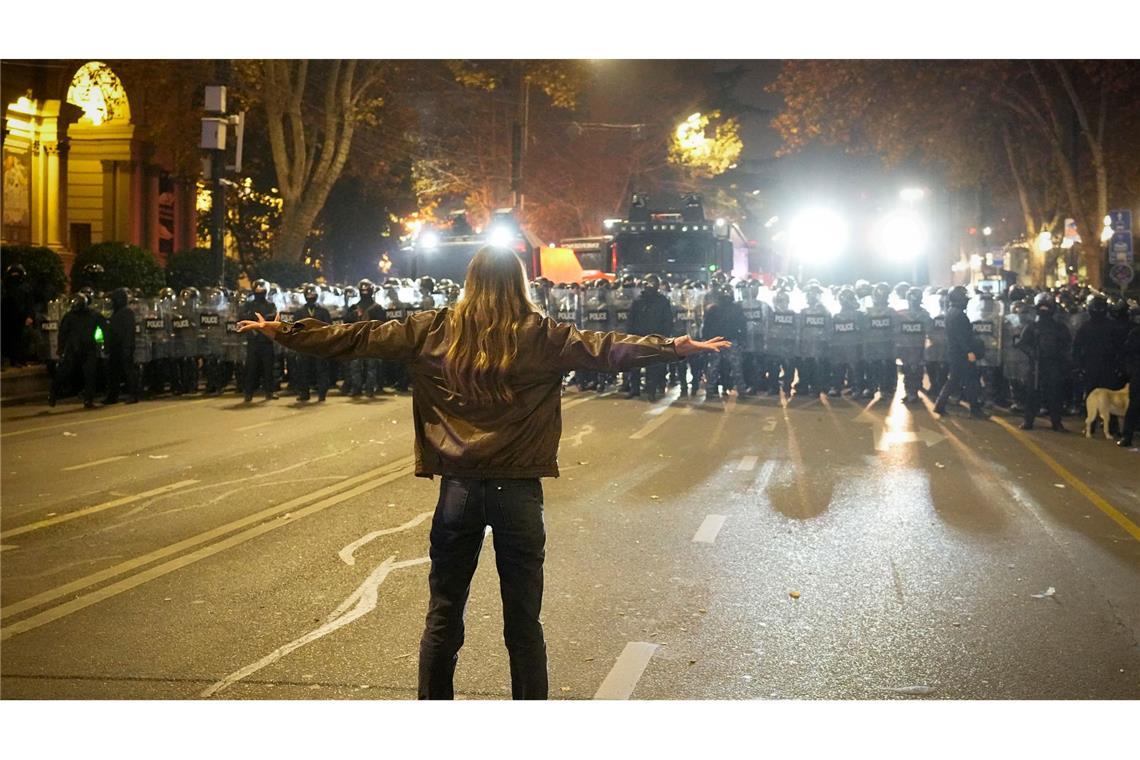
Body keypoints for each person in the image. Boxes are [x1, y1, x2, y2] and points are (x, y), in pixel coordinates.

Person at [237, 246, 729, 700]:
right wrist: (672, 347)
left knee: (444, 614)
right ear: (519, 284)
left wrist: (286, 332)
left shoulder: (433, 328)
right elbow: (606, 348)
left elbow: (359, 338)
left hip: (460, 489)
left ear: (470, 282)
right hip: (518, 492)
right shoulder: (542, 335)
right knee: (523, 624)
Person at [1017, 292, 1071, 432]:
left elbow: (1067, 345)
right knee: (1032, 394)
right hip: (1037, 365)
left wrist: (1061, 357)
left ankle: (1056, 422)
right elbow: (1022, 343)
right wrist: (1033, 353)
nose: (1044, 310)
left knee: (1055, 394)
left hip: (1054, 365)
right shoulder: (1032, 327)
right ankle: (1028, 421)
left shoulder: (1059, 327)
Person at [933, 285, 987, 419]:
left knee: (955, 379)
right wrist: (969, 351)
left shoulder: (951, 312)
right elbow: (960, 337)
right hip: (961, 354)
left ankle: (940, 405)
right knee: (971, 380)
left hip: (956, 353)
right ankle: (975, 410)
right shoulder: (958, 315)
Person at [50, 294, 106, 408]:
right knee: (65, 372)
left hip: (85, 348)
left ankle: (88, 399)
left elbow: (105, 328)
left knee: (89, 375)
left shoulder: (91, 315)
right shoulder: (72, 316)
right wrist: (61, 349)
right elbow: (63, 333)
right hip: (75, 348)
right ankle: (53, 393)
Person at [626, 273, 674, 401]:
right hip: (639, 336)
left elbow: (667, 320)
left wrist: (664, 336)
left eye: (652, 284)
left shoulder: (663, 301)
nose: (649, 286)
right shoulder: (638, 301)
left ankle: (651, 390)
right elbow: (631, 319)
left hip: (655, 337)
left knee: (652, 366)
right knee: (635, 365)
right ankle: (634, 389)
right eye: (648, 283)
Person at [240, 279, 279, 403]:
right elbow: (242, 318)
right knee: (251, 368)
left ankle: (270, 391)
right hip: (253, 339)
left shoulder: (270, 305)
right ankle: (248, 393)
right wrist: (253, 328)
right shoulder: (248, 305)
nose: (260, 292)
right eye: (258, 290)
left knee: (268, 368)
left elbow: (273, 319)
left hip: (266, 340)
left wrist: (262, 324)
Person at [293, 284, 332, 402]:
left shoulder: (323, 311)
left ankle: (322, 394)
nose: (311, 296)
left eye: (313, 294)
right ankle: (304, 393)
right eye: (308, 294)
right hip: (305, 346)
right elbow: (295, 329)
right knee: (303, 370)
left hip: (319, 345)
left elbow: (329, 327)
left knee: (321, 370)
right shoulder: (300, 312)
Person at [103, 288, 139, 404]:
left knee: (128, 371)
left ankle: (133, 395)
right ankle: (112, 396)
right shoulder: (116, 313)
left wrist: (127, 347)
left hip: (124, 346)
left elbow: (128, 332)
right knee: (113, 372)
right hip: (115, 347)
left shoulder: (126, 312)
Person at [2, 263, 35, 367]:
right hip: (7, 316)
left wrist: (29, 316)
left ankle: (19, 359)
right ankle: (12, 359)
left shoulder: (25, 287)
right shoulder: (6, 287)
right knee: (11, 339)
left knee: (21, 339)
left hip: (21, 317)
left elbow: (29, 302)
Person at [1117, 323, 1140, 448]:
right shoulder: (1136, 333)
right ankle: (1127, 436)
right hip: (1138, 373)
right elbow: (1127, 352)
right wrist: (1130, 370)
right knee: (1134, 404)